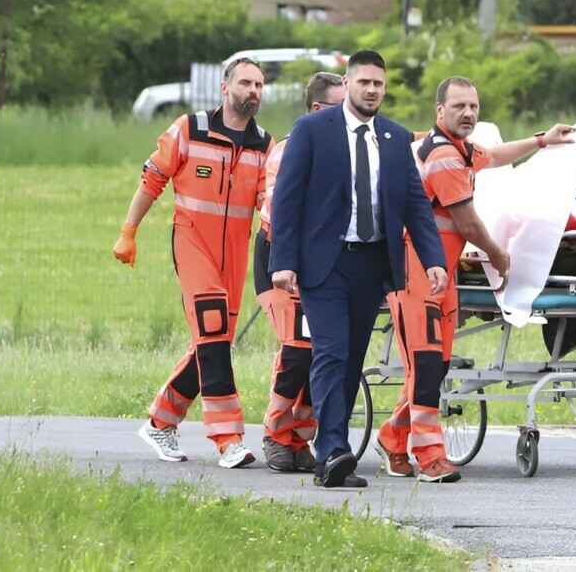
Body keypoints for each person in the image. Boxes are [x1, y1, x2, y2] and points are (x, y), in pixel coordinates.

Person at [375, 76, 575, 483]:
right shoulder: (444, 156)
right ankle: (429, 455)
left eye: (473, 107)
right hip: (416, 272)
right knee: (427, 363)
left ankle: (393, 436)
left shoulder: (461, 150)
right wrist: (500, 257)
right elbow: (466, 222)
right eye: (459, 107)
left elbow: (496, 155)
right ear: (439, 112)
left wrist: (541, 141)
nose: (468, 113)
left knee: (436, 363)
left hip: (439, 273)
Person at [269, 50, 447, 489]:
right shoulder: (312, 131)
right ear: (347, 84)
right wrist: (283, 263)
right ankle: (331, 452)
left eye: (379, 84)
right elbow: (287, 200)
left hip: (371, 264)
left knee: (350, 360)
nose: (372, 90)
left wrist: (435, 260)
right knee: (329, 351)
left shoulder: (394, 137)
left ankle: (334, 451)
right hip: (323, 264)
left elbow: (415, 206)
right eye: (364, 81)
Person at [114, 57, 273, 469]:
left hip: (234, 255)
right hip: (192, 243)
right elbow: (152, 179)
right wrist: (128, 231)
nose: (253, 90)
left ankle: (160, 421)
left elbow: (269, 206)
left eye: (259, 84)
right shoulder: (190, 128)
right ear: (225, 88)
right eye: (245, 83)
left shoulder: (264, 146)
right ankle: (228, 439)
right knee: (215, 333)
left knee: (211, 342)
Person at [252, 72, 345, 474]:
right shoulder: (288, 151)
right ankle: (276, 434)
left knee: (318, 351)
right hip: (281, 257)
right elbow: (280, 214)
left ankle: (297, 436)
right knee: (296, 351)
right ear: (317, 111)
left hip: (322, 262)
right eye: (344, 107)